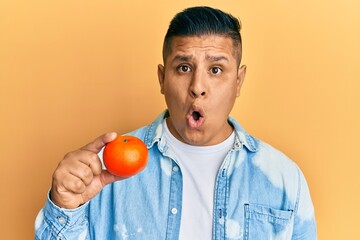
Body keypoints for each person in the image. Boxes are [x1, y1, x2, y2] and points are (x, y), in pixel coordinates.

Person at [35, 6, 317, 240]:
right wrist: (65, 206)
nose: (197, 87)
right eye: (184, 68)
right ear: (162, 78)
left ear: (238, 81)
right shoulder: (102, 171)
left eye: (216, 69)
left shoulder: (283, 178)